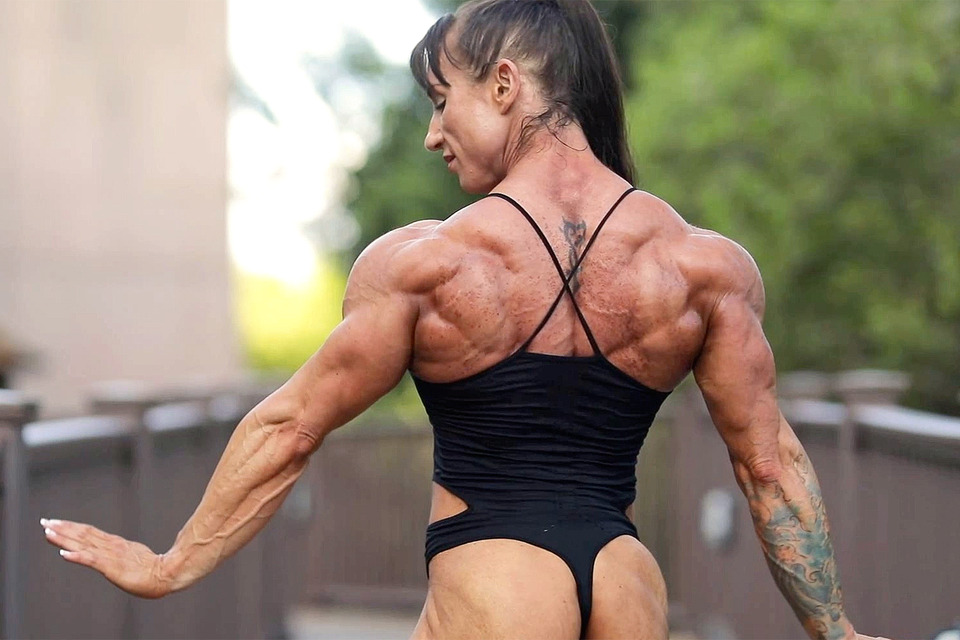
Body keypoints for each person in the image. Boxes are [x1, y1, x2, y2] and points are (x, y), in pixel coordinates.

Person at [41, 1, 889, 639]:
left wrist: (171, 564)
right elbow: (768, 466)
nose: (433, 133)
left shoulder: (428, 264)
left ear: (505, 86)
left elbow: (291, 427)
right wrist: (840, 632)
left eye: (442, 100)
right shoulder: (701, 266)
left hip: (493, 590)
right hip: (629, 587)